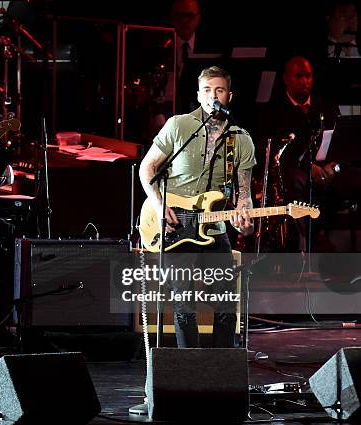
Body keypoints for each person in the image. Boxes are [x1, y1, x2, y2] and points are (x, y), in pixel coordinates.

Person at [130, 65, 256, 414]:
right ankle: (191, 382)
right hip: (171, 226)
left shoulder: (241, 139)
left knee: (225, 309)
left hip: (213, 229)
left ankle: (220, 381)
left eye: (219, 90)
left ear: (229, 95)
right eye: (206, 90)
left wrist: (245, 219)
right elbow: (147, 169)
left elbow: (243, 193)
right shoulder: (179, 126)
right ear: (198, 94)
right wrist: (160, 203)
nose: (213, 96)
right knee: (184, 308)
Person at [256, 56, 341, 251]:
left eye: (308, 76)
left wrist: (333, 168)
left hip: (328, 169)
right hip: (294, 171)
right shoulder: (273, 112)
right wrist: (309, 168)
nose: (305, 81)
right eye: (298, 76)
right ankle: (306, 240)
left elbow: (341, 146)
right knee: (296, 181)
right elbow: (274, 154)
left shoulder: (326, 107)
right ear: (286, 78)